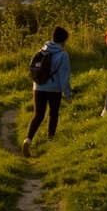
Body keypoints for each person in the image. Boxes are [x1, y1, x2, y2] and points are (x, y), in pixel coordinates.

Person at [23, 26, 72, 155]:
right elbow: (64, 77)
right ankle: (50, 140)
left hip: (38, 87)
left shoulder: (42, 50)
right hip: (54, 90)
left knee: (38, 115)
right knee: (53, 114)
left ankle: (28, 140)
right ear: (64, 40)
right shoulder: (63, 55)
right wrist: (68, 94)